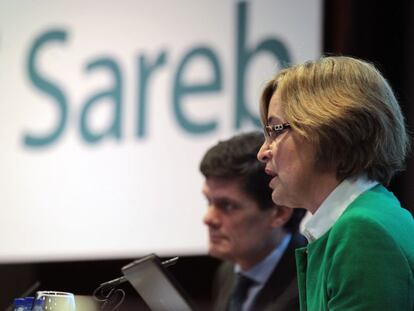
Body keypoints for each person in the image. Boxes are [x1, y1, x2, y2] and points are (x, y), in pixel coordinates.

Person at [257, 56, 414, 311]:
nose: (263, 151)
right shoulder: (367, 217)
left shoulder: (362, 231)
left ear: (330, 128)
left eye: (276, 130)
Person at [200, 131, 306, 311]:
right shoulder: (228, 271)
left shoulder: (311, 279)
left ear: (279, 213)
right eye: (208, 201)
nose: (208, 219)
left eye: (227, 206)